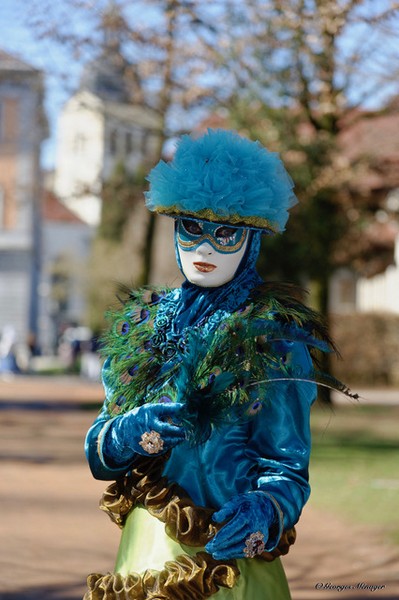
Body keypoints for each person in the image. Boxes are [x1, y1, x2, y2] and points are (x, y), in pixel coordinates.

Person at [84, 129, 342, 599]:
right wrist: (127, 431)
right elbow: (98, 451)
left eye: (225, 234)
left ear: (252, 239)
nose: (204, 249)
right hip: (146, 549)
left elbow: (287, 467)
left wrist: (265, 508)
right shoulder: (140, 326)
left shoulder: (273, 337)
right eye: (192, 228)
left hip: (226, 561)